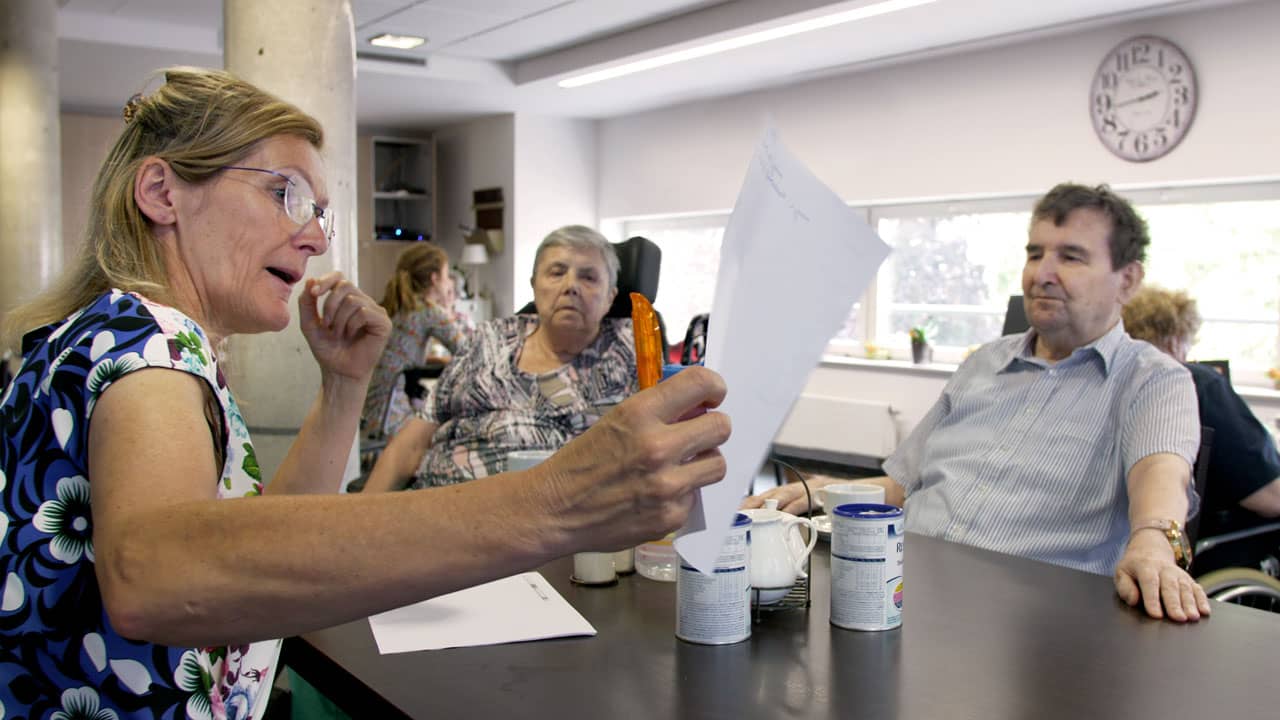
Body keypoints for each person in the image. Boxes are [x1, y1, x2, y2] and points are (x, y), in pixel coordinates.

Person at [0, 68, 730, 720]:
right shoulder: (147, 337)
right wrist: (554, 502)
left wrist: (345, 388)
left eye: (319, 213)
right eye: (286, 195)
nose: (316, 239)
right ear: (163, 193)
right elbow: (158, 574)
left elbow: (243, 559)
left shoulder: (122, 336)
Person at [749, 183, 1211, 622]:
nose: (1041, 274)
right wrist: (822, 489)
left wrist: (1153, 540)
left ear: (1127, 279)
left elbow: (1161, 473)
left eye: (1070, 257)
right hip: (899, 591)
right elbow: (905, 483)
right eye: (1034, 254)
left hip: (1027, 632)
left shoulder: (1152, 380)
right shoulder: (984, 363)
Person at [363, 225, 637, 492]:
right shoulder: (488, 339)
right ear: (534, 285)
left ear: (611, 297)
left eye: (588, 277)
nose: (570, 286)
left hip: (544, 524)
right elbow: (411, 445)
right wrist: (364, 522)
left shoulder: (629, 353)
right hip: (431, 506)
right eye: (556, 272)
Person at [1122, 285, 1280, 573]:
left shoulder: (1112, 380)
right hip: (1200, 550)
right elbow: (1270, 498)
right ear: (1174, 338)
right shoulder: (1199, 384)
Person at [362, 242, 472, 438]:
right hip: (393, 418)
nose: (448, 284)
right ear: (435, 278)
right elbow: (470, 351)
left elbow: (401, 357)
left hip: (370, 411)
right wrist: (447, 309)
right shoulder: (428, 311)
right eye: (446, 276)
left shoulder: (396, 307)